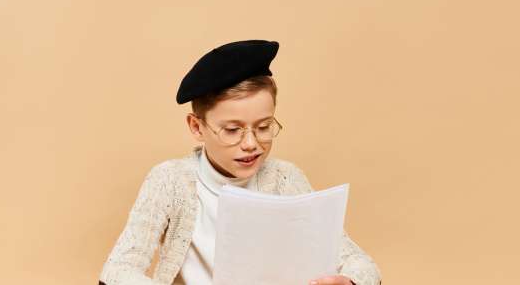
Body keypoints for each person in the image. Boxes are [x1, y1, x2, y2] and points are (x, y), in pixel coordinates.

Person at [99, 40, 381, 285]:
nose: (251, 143)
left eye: (264, 126)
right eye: (232, 130)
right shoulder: (170, 180)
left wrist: (351, 280)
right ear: (197, 127)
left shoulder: (286, 179)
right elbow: (119, 269)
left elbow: (358, 262)